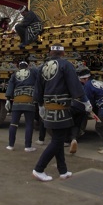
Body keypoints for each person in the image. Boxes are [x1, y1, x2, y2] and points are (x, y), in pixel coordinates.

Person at [32, 45, 89, 182]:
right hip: (62, 107)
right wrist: (85, 101)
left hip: (49, 107)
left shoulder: (42, 67)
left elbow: (38, 88)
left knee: (58, 138)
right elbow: (74, 85)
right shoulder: (66, 65)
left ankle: (62, 171)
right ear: (63, 53)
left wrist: (40, 105)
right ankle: (39, 169)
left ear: (50, 53)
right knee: (58, 140)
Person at [6, 61, 38, 152]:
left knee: (13, 123)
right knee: (29, 124)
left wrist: (8, 99)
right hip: (29, 101)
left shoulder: (14, 75)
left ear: (19, 67)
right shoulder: (32, 72)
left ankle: (10, 145)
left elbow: (10, 87)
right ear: (27, 66)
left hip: (17, 101)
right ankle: (28, 146)